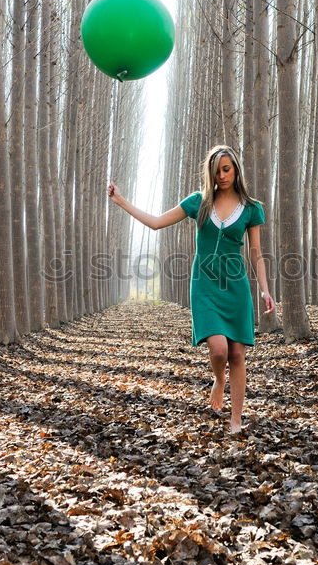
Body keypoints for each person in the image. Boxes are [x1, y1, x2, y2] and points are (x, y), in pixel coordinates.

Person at [108, 145, 275, 433]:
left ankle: (236, 420)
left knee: (237, 353)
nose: (222, 175)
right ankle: (219, 380)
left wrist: (264, 289)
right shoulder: (198, 202)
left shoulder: (251, 208)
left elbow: (256, 252)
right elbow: (156, 223)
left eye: (227, 169)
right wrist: (122, 201)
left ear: (235, 170)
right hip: (205, 285)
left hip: (235, 286)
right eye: (217, 170)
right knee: (220, 350)